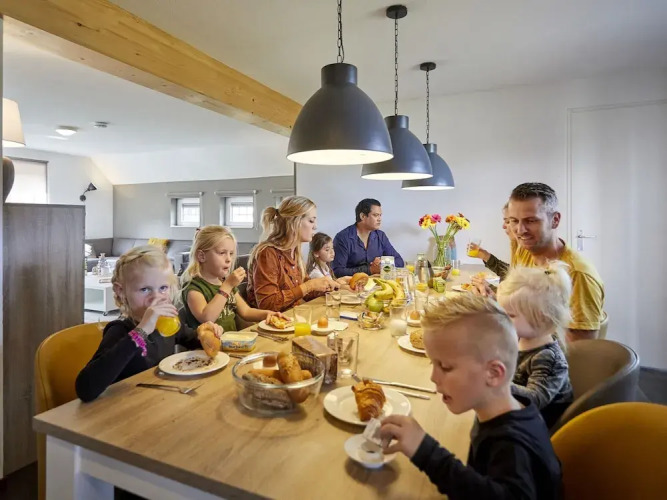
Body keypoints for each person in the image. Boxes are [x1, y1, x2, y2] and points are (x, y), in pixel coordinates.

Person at [380, 294, 562, 499]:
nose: (433, 377)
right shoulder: (503, 410)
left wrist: (426, 451)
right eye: (433, 363)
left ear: (493, 374)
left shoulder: (511, 445)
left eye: (445, 367)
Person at [76, 246, 222, 402]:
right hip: (129, 405)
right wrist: (142, 331)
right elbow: (85, 388)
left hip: (160, 399)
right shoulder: (120, 331)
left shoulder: (168, 323)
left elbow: (193, 340)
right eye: (145, 289)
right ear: (121, 291)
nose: (156, 298)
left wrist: (207, 333)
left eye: (163, 288)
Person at [475, 183, 604, 343]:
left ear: (555, 220)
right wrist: (496, 300)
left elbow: (580, 348)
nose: (520, 230)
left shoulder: (577, 274)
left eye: (531, 221)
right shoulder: (524, 250)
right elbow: (524, 307)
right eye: (514, 221)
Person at [497, 264, 574, 428]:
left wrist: (497, 382)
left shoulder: (548, 358)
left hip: (540, 426)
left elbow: (535, 399)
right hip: (517, 413)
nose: (503, 319)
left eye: (510, 315)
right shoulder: (521, 337)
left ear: (542, 319)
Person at [181, 225, 286, 331]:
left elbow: (246, 312)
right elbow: (207, 318)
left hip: (232, 340)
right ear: (201, 256)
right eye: (222, 253)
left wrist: (268, 314)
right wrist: (228, 285)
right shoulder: (194, 288)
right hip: (207, 342)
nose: (228, 259)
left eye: (231, 254)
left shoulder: (224, 283)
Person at [247, 196, 338, 312]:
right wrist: (309, 286)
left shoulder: (294, 252)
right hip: (273, 321)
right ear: (294, 222)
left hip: (292, 316)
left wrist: (334, 284)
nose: (315, 226)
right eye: (311, 221)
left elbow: (306, 293)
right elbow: (267, 305)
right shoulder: (268, 253)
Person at [332, 198, 404, 277]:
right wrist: (370, 270)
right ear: (362, 216)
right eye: (375, 215)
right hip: (352, 283)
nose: (379, 219)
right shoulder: (343, 238)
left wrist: (383, 263)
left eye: (380, 215)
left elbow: (399, 261)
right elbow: (338, 271)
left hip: (377, 282)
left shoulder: (381, 236)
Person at [469, 202, 517, 281]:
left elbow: (517, 283)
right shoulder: (517, 247)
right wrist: (485, 256)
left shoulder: (530, 251)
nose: (503, 226)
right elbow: (512, 275)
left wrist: (489, 286)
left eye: (508, 221)